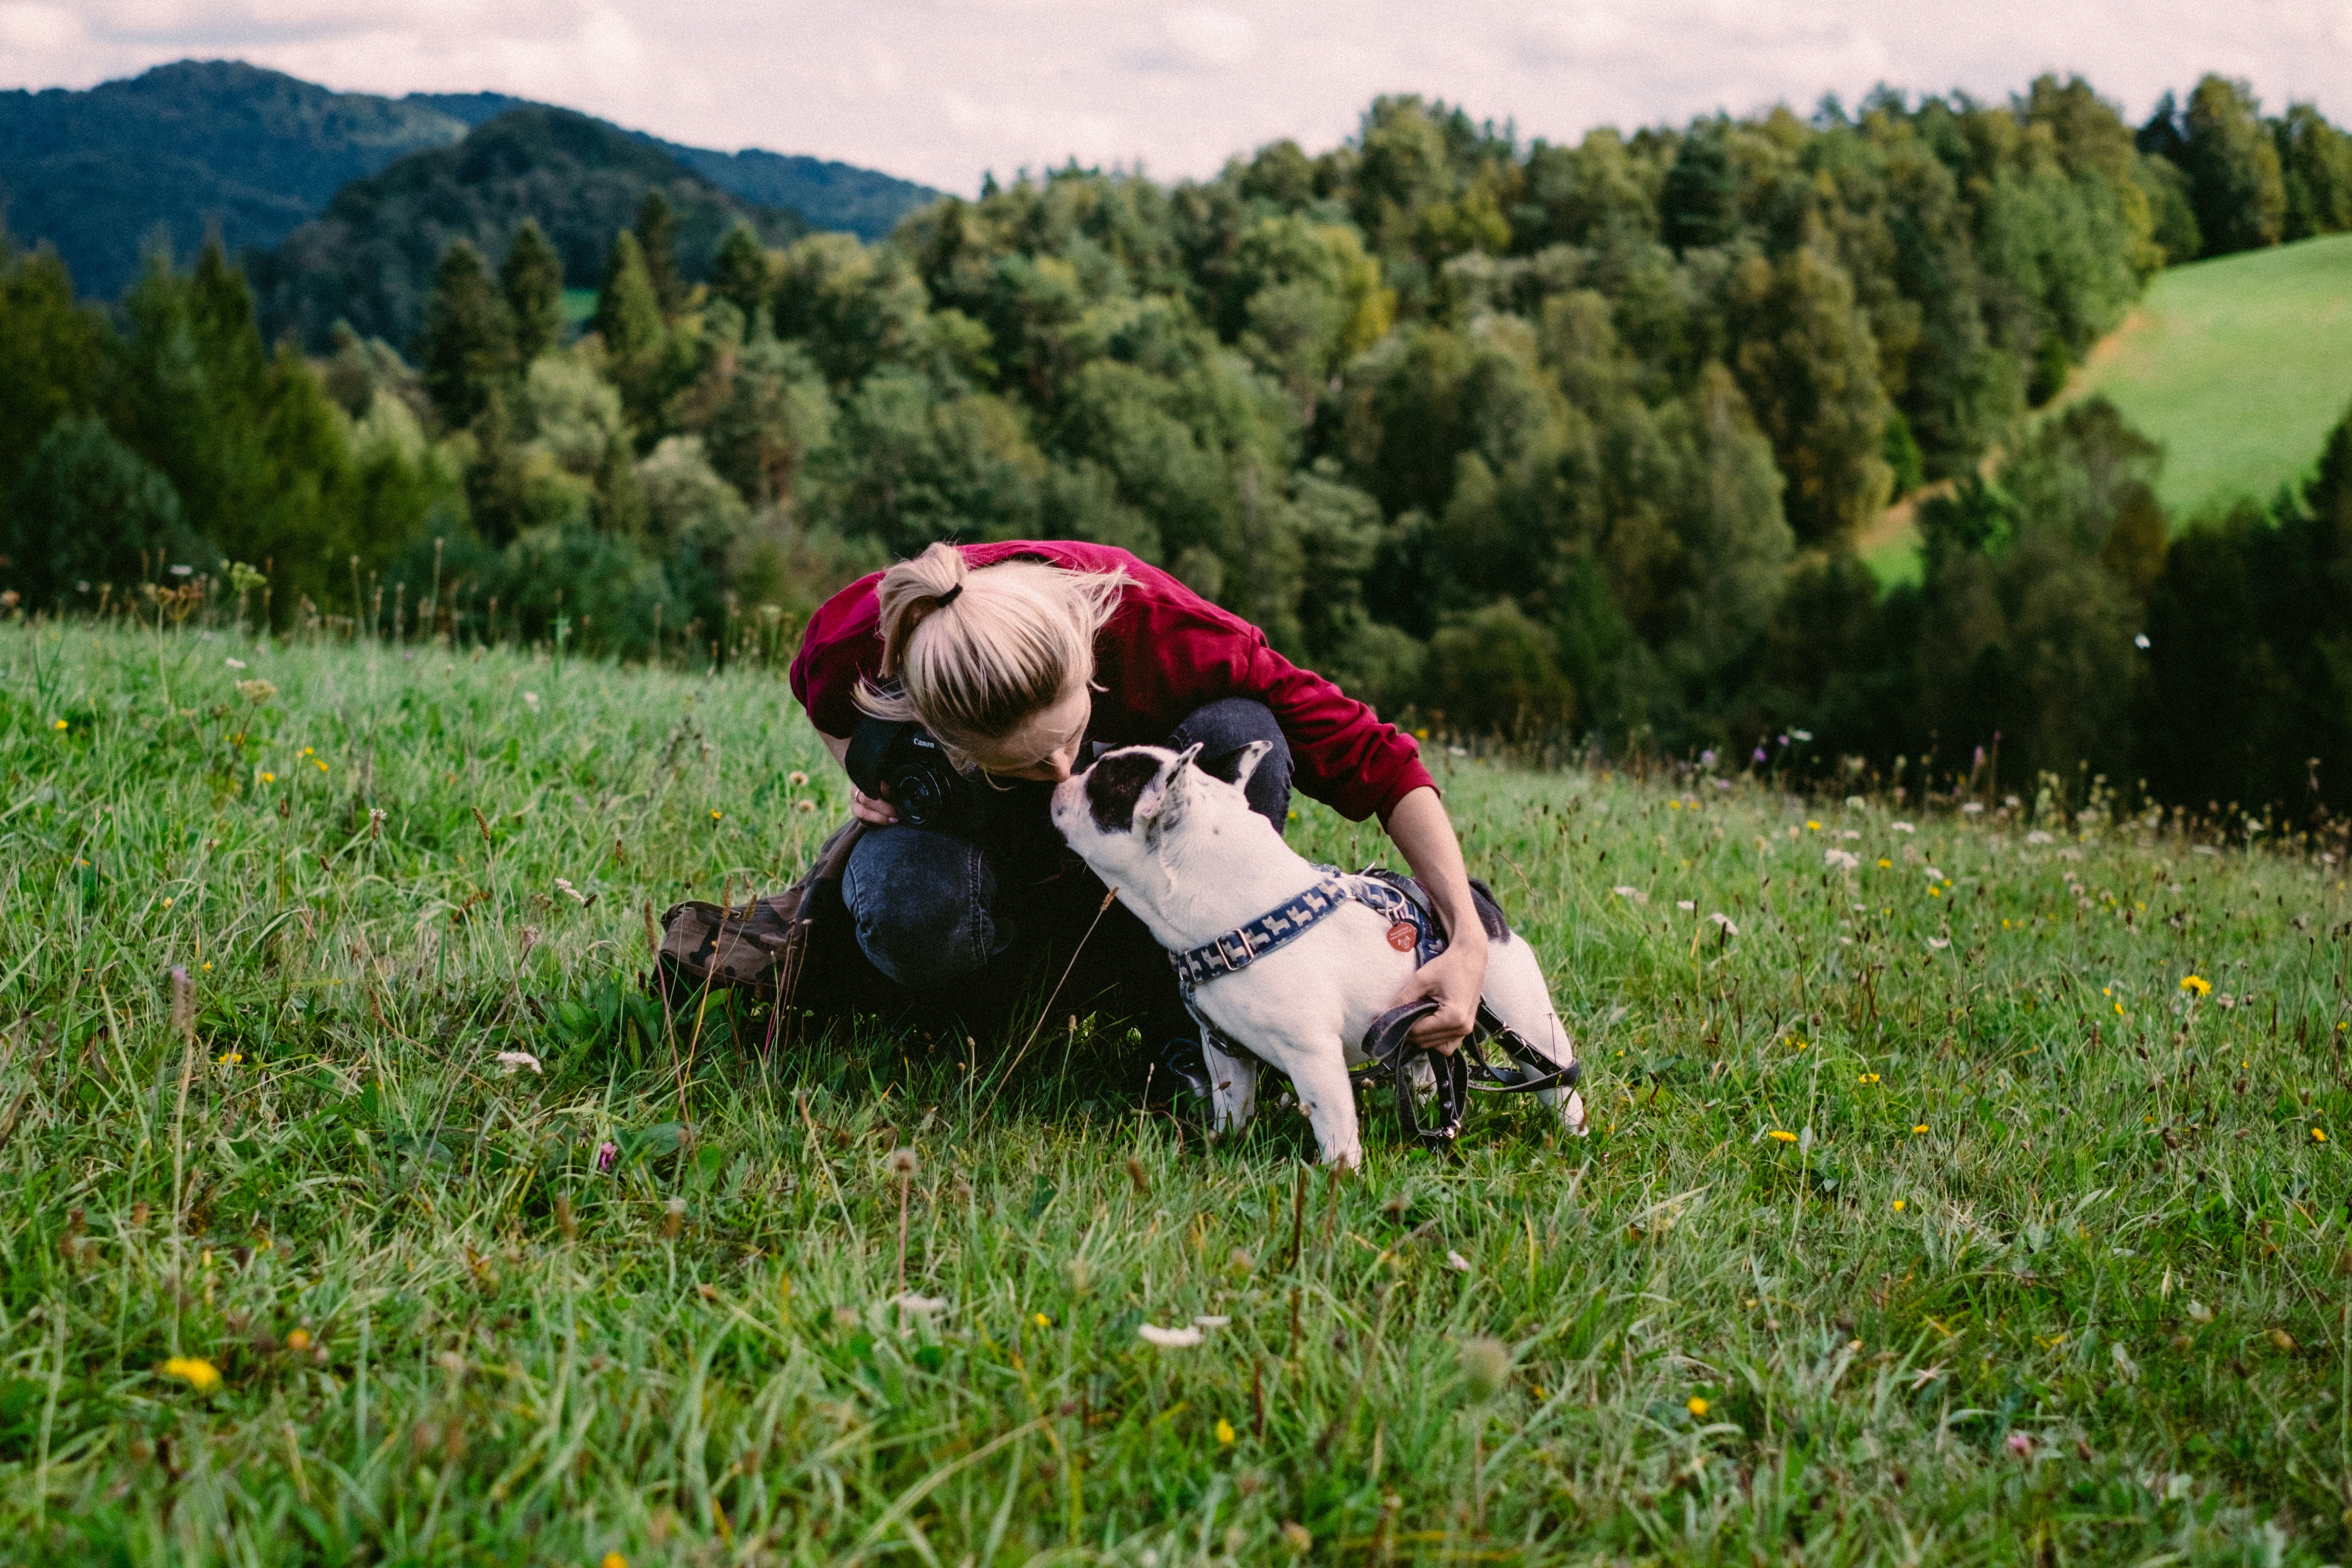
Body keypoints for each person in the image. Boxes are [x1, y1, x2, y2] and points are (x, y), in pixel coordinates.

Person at [787, 538, 1488, 1094]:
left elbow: (1380, 760)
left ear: (1088, 658)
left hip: (1140, 852)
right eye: (1028, 763)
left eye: (1069, 738)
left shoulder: (1160, 626)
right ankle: (980, 1017)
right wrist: (869, 769)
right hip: (985, 844)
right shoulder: (859, 643)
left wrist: (1465, 940)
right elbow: (813, 685)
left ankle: (1182, 1026)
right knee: (905, 901)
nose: (1061, 773)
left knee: (1247, 735)